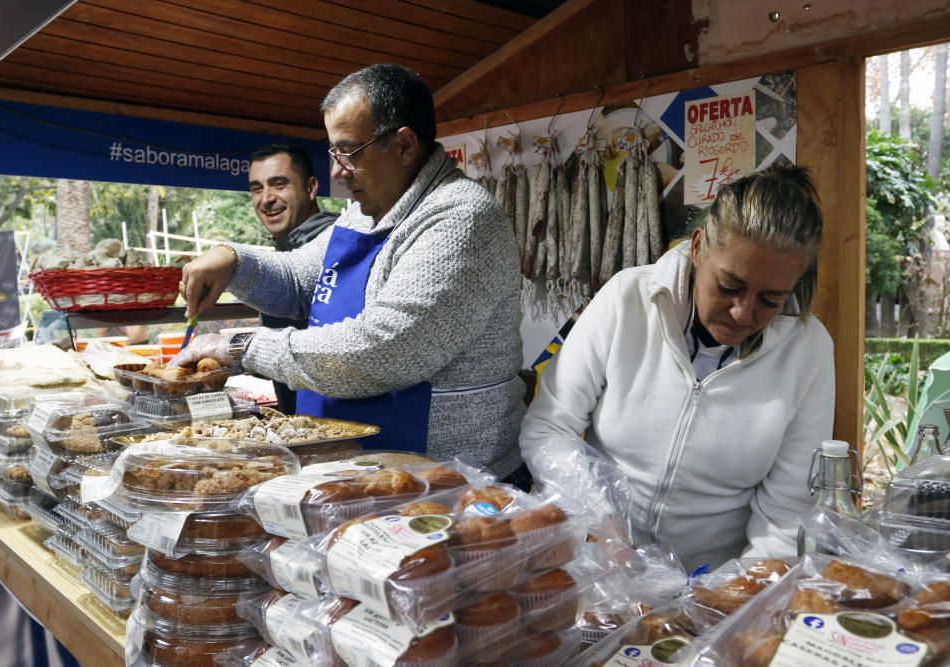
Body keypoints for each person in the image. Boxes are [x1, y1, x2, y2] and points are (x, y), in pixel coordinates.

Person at [171, 64, 526, 479]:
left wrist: (241, 346)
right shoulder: (360, 214)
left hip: (451, 483)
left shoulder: (461, 217)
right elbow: (297, 281)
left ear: (405, 146)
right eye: (333, 153)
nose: (337, 171)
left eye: (349, 152)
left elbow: (383, 351)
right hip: (353, 468)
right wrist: (233, 260)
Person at [519, 165, 835, 570]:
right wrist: (601, 524)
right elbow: (549, 427)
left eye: (770, 300)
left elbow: (787, 516)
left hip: (714, 585)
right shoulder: (627, 298)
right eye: (729, 286)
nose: (743, 313)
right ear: (699, 246)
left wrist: (726, 599)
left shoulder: (807, 352)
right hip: (597, 562)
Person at [247, 143, 337, 413]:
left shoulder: (337, 245)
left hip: (341, 426)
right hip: (298, 422)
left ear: (311, 188)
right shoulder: (281, 251)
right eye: (257, 188)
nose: (266, 199)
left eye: (279, 184)